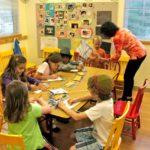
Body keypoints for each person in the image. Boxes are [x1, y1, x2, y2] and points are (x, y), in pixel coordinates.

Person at [58, 74, 114, 150]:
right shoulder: (107, 97)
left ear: (96, 94)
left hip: (101, 143)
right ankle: (85, 145)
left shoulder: (102, 107)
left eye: (91, 92)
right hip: (102, 133)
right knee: (76, 134)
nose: (90, 93)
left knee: (72, 148)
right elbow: (91, 96)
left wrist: (63, 107)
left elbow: (76, 117)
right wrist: (77, 99)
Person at [4, 80, 58, 150]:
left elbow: (17, 105)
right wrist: (41, 100)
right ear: (25, 96)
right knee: (54, 148)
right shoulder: (30, 108)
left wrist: (26, 101)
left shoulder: (7, 110)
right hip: (32, 146)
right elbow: (48, 109)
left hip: (15, 146)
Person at [100, 21, 147, 101]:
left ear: (108, 32)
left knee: (127, 76)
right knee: (129, 76)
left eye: (104, 33)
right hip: (142, 52)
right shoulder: (122, 30)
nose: (104, 35)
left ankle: (126, 97)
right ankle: (128, 97)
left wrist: (107, 60)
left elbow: (117, 56)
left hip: (137, 55)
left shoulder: (117, 38)